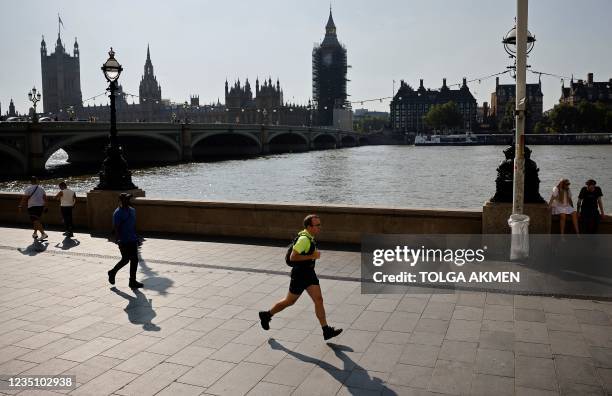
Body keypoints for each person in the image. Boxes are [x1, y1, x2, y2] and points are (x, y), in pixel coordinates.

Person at [259, 214, 342, 341]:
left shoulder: (309, 236)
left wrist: (312, 256)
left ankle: (326, 330)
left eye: (320, 224)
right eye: (317, 225)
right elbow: (293, 257)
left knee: (318, 300)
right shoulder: (304, 239)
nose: (320, 227)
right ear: (309, 226)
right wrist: (313, 256)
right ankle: (267, 315)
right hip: (300, 275)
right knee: (289, 301)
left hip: (309, 274)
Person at [107, 193, 143, 289]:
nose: (128, 201)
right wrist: (118, 240)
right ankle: (112, 272)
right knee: (125, 259)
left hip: (132, 239)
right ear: (121, 200)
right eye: (126, 199)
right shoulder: (118, 213)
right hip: (124, 240)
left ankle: (132, 281)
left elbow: (133, 225)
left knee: (134, 260)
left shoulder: (132, 210)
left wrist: (137, 237)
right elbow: (116, 228)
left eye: (128, 199)